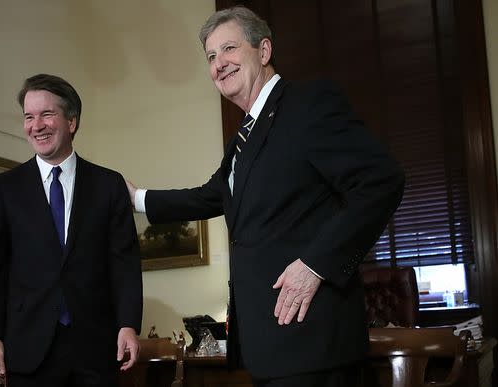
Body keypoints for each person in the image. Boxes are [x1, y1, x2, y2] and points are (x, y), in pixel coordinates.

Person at [126, 6, 404, 387]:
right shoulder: (242, 138)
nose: (219, 63)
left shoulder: (308, 104)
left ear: (264, 50)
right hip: (268, 345)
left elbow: (381, 181)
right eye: (210, 56)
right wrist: (136, 198)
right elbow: (210, 196)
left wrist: (315, 265)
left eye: (229, 49)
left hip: (313, 341)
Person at [0, 74, 143, 387]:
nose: (36, 125)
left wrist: (128, 324)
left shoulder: (108, 185)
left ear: (72, 122)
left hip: (96, 349)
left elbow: (124, 264)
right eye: (29, 116)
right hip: (28, 350)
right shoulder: (5, 189)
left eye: (46, 114)